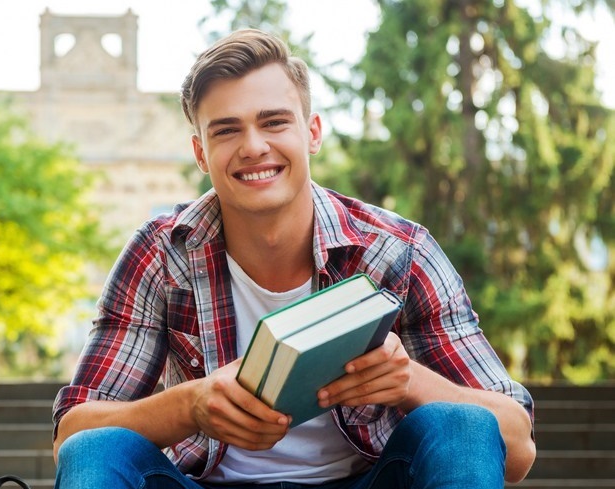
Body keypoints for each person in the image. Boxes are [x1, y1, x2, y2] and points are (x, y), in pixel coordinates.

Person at [52, 28, 535, 488]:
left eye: (274, 121)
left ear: (313, 133)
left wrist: (409, 380)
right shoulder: (161, 253)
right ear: (201, 153)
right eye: (226, 131)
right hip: (202, 483)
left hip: (368, 481)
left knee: (460, 426)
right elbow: (73, 438)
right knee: (97, 451)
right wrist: (190, 406)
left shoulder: (397, 249)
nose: (254, 147)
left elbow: (516, 445)